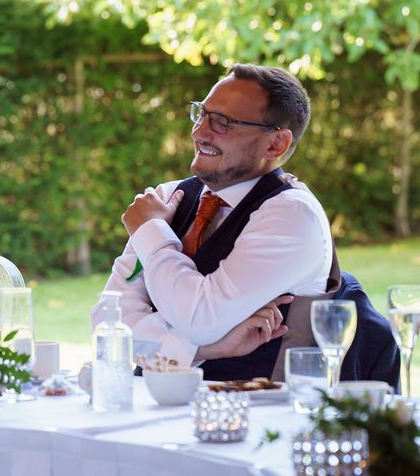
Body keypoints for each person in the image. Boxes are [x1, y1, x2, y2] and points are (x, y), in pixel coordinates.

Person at [92, 64, 336, 380]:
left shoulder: (293, 215)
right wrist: (202, 349)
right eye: (202, 115)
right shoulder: (168, 197)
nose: (199, 132)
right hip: (157, 405)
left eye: (222, 123)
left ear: (275, 144)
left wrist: (152, 232)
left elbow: (199, 319)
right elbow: (108, 325)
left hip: (260, 414)